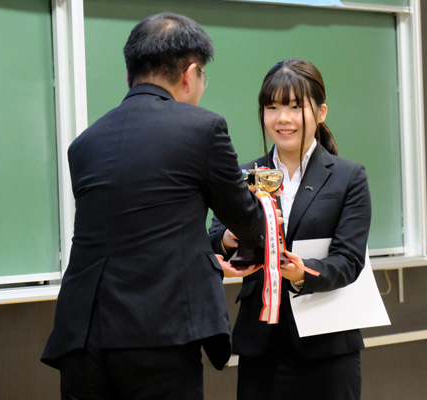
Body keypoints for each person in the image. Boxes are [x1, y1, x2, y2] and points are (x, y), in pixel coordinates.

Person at [41, 13, 268, 400]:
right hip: (159, 332)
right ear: (190, 73)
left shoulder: (85, 143)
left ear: (130, 74)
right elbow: (246, 219)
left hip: (81, 337)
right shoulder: (202, 127)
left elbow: (136, 229)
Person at [209, 58, 372, 400]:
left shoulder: (348, 177)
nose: (282, 118)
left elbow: (349, 260)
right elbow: (214, 239)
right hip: (261, 344)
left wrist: (301, 273)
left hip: (328, 345)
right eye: (271, 107)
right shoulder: (243, 175)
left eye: (295, 107)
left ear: (321, 112)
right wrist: (229, 237)